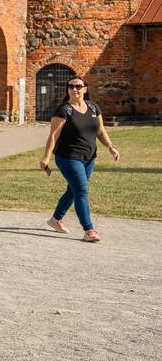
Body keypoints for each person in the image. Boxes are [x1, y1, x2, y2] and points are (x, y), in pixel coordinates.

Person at [39, 76, 119, 243]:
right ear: (67, 89)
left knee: (73, 190)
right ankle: (89, 230)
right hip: (68, 158)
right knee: (81, 191)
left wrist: (111, 147)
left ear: (85, 89)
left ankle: (55, 219)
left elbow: (100, 131)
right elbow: (53, 135)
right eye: (70, 86)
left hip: (89, 157)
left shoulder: (93, 108)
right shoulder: (64, 110)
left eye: (78, 86)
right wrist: (46, 158)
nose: (74, 89)